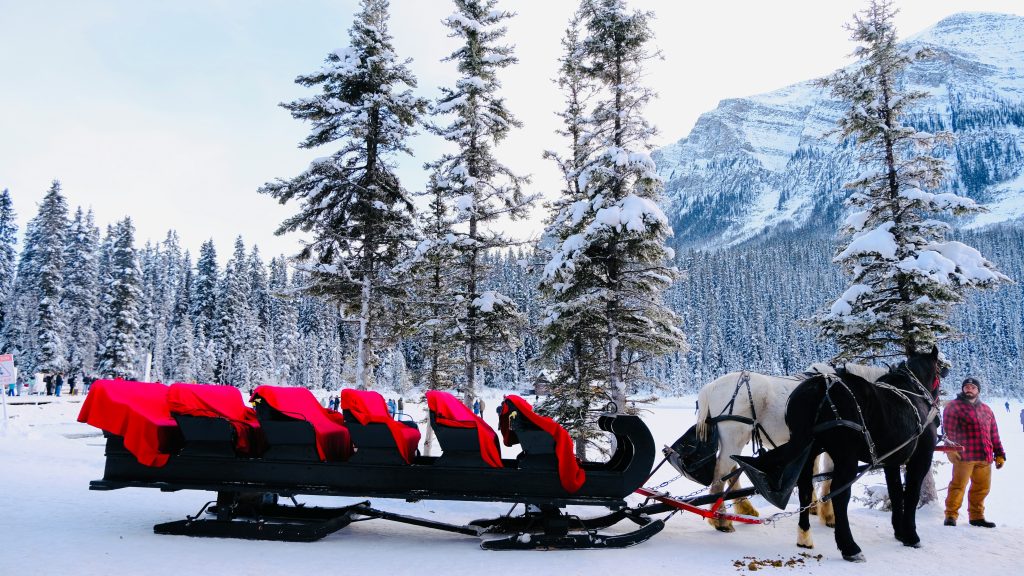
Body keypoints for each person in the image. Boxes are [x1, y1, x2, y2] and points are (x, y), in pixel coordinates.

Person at [942, 376, 1006, 528]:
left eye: (973, 387)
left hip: (985, 457)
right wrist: (951, 449)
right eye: (967, 387)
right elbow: (948, 430)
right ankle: (951, 515)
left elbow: (994, 434)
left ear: (978, 390)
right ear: (963, 389)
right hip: (964, 456)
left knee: (981, 489)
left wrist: (1000, 454)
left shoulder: (986, 409)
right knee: (958, 487)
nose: (969, 389)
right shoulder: (954, 406)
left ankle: (977, 517)